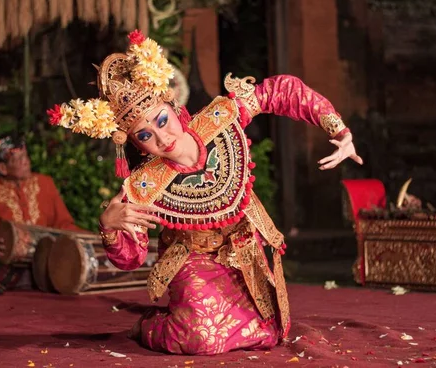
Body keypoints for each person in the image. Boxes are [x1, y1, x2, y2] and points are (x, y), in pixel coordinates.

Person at [48, 30, 363, 355]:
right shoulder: (144, 185)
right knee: (203, 338)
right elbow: (132, 258)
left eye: (161, 119)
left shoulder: (221, 118)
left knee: (269, 334)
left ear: (171, 105)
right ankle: (150, 325)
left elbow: (282, 91)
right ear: (137, 144)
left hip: (242, 252)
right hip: (192, 259)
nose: (161, 136)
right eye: (145, 134)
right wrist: (110, 226)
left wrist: (338, 130)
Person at [0, 135, 82, 294]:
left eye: (25, 156)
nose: (25, 161)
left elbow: (64, 224)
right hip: (12, 263)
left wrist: (88, 239)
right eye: (17, 159)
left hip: (48, 258)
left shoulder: (46, 183)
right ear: (3, 168)